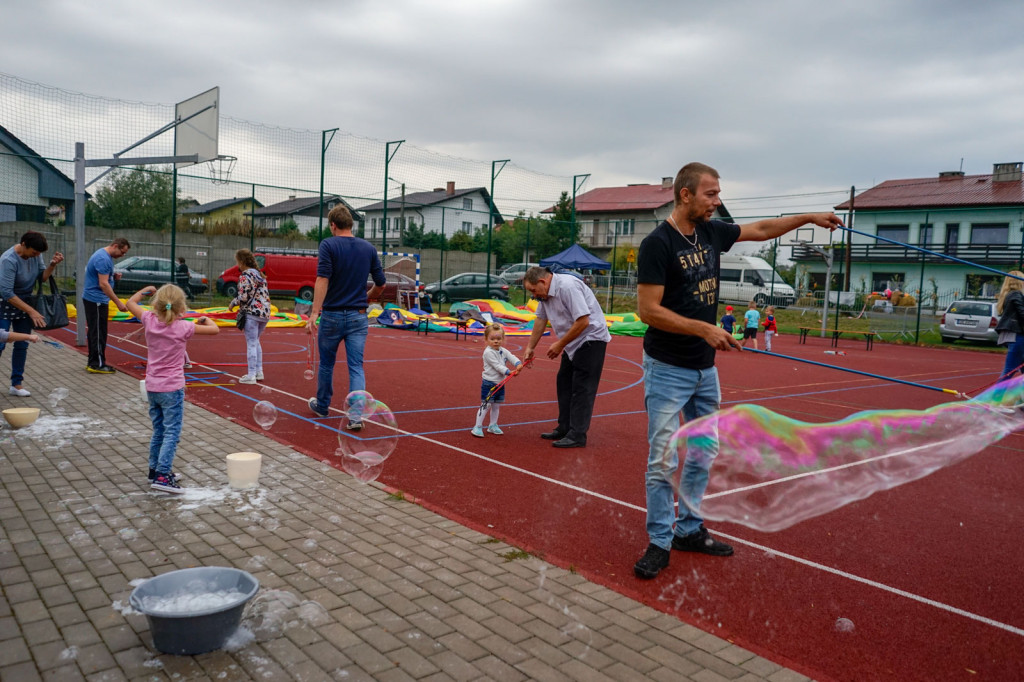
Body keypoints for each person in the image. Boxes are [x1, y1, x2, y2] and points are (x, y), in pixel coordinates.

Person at [633, 162, 842, 580]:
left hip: (703, 371)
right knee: (662, 460)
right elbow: (648, 311)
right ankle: (660, 540)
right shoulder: (657, 244)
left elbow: (762, 230)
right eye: (710, 194)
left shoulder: (711, 231)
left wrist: (809, 217)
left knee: (703, 453)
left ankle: (688, 530)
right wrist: (704, 329)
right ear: (685, 194)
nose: (718, 201)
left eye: (718, 193)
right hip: (668, 368)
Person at [125, 284, 219, 493]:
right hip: (172, 388)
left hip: (152, 386)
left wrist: (143, 291)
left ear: (156, 304)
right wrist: (206, 319)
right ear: (180, 307)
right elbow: (215, 330)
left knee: (159, 430)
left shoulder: (149, 320)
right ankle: (162, 475)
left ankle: (154, 470)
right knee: (172, 432)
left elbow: (130, 303)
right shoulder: (184, 327)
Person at [307, 205, 386, 428]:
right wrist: (367, 297)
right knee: (356, 366)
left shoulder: (328, 244)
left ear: (333, 225)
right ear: (351, 224)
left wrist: (314, 313)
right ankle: (355, 417)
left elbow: (322, 279)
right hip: (358, 316)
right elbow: (381, 284)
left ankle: (322, 406)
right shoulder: (368, 248)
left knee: (326, 364)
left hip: (331, 315)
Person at [522, 265, 611, 448]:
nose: (533, 295)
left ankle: (577, 434)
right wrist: (530, 347)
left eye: (533, 290)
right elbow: (540, 319)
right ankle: (564, 427)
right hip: (572, 342)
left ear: (542, 281)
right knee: (564, 383)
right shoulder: (544, 295)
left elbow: (583, 321)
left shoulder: (567, 286)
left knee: (582, 388)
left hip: (591, 339)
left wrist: (560, 344)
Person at [0, 231, 64, 396]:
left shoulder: (35, 255)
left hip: (25, 302)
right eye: (34, 253)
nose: (36, 256)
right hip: (5, 304)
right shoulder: (8, 260)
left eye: (38, 254)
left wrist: (52, 265)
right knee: (1, 342)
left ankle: (16, 384)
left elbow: (41, 278)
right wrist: (32, 311)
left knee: (22, 344)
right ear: (23, 244)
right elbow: (6, 292)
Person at [83, 237, 130, 374]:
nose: (123, 255)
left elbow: (105, 280)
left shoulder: (105, 257)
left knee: (98, 331)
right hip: (95, 300)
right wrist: (118, 302)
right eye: (122, 252)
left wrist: (114, 279)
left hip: (98, 299)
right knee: (98, 332)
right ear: (115, 246)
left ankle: (94, 361)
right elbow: (103, 284)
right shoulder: (103, 258)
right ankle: (96, 364)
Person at [472, 323, 523, 438]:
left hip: (500, 383)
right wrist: (509, 372)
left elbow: (511, 356)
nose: (496, 341)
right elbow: (497, 366)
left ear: (503, 339)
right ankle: (477, 426)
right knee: (486, 405)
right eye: (493, 339)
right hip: (489, 383)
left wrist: (518, 363)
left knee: (496, 406)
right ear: (486, 339)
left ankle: (493, 425)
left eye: (499, 339)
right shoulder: (488, 352)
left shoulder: (503, 350)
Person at [228, 249, 271, 385]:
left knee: (251, 343)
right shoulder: (260, 275)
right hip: (264, 312)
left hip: (252, 312)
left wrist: (233, 303)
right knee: (256, 341)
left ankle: (251, 374)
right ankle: (259, 371)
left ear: (241, 261)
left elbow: (244, 296)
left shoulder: (245, 275)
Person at [994, 270, 1024, 380]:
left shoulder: (1011, 295)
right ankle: (995, 397)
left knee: (1011, 369)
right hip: (1017, 336)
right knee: (1009, 370)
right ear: (1019, 282)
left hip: (1014, 335)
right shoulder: (1016, 295)